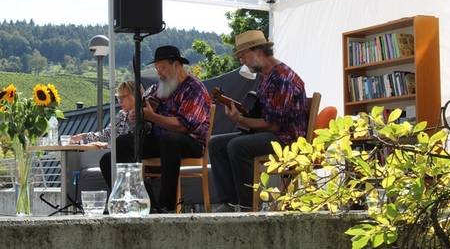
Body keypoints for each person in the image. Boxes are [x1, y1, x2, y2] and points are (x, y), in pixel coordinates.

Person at [99, 45, 211, 212]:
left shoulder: (194, 88)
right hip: (161, 139)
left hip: (190, 142)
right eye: (157, 68)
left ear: (176, 65)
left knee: (170, 139)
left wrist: (152, 116)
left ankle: (167, 206)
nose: (159, 72)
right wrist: (136, 114)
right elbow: (146, 107)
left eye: (163, 67)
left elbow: (183, 126)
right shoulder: (160, 87)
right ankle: (141, 202)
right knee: (117, 148)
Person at [209, 30, 308, 212]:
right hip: (269, 133)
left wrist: (240, 119)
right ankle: (230, 203)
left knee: (238, 146)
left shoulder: (283, 79)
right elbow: (259, 112)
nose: (241, 60)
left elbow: (273, 124)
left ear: (257, 51)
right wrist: (239, 112)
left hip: (287, 139)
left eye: (243, 55)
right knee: (215, 144)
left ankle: (249, 206)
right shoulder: (265, 75)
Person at [70, 81, 143, 148]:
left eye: (123, 97)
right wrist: (84, 136)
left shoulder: (145, 114)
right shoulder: (122, 114)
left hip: (134, 157)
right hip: (120, 156)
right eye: (118, 97)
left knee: (104, 159)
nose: (120, 101)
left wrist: (108, 145)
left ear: (135, 95)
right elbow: (107, 134)